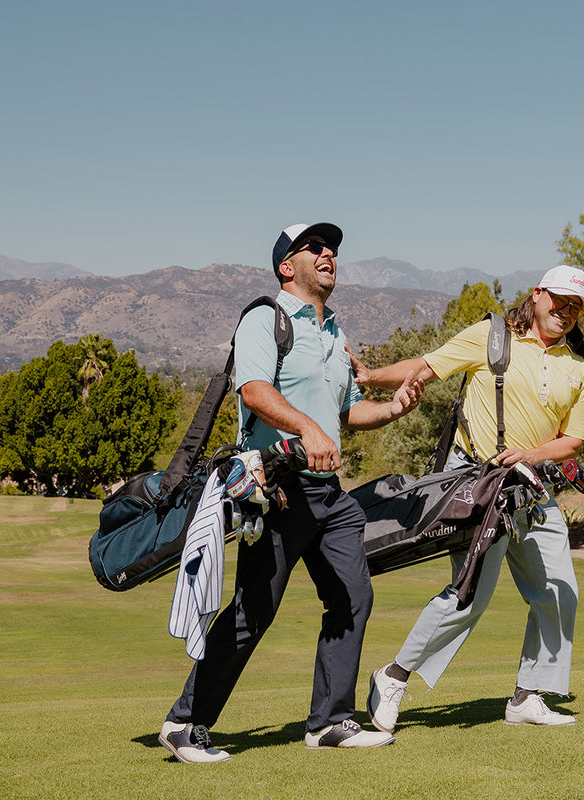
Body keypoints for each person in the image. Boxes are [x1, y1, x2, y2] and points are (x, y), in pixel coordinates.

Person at [159, 222, 424, 762]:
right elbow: (254, 390)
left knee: (353, 597)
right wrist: (306, 428)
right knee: (253, 609)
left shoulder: (333, 332)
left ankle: (330, 721)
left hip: (331, 495)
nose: (329, 254)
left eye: (333, 249)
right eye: (316, 248)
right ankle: (185, 722)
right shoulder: (265, 318)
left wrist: (392, 409)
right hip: (276, 489)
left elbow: (348, 411)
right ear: (288, 265)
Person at [351, 265, 584, 731]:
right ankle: (393, 676)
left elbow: (572, 441)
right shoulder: (492, 336)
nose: (566, 312)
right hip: (479, 488)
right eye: (560, 301)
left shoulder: (579, 367)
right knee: (470, 598)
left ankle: (527, 696)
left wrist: (533, 453)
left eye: (575, 308)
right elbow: (426, 366)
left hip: (532, 490)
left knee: (559, 591)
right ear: (538, 295)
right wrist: (371, 378)